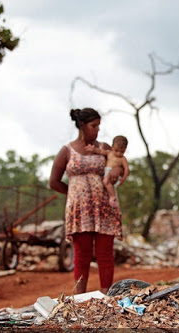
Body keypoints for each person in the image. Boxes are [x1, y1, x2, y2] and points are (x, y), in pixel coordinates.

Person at [49, 108, 122, 295]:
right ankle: (79, 298)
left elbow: (120, 164)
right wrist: (74, 194)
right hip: (79, 210)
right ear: (82, 125)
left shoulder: (104, 148)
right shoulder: (67, 151)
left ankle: (107, 297)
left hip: (104, 208)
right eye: (93, 125)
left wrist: (116, 171)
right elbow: (54, 181)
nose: (97, 129)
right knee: (82, 255)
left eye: (99, 126)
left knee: (105, 254)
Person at [86, 135, 130, 207]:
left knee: (105, 181)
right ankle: (112, 197)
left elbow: (126, 169)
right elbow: (100, 151)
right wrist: (93, 149)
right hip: (107, 171)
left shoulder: (122, 159)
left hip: (113, 173)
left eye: (122, 152)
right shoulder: (109, 153)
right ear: (112, 147)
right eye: (116, 150)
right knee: (106, 183)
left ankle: (112, 197)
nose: (118, 153)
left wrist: (123, 179)